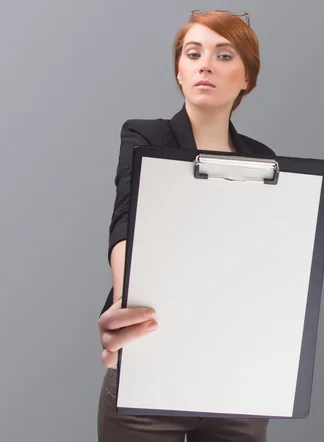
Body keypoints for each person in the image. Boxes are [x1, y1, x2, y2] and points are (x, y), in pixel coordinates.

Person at [96, 10, 275, 442]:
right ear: (179, 71)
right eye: (192, 53)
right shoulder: (146, 136)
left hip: (234, 377)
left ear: (247, 77)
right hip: (148, 368)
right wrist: (124, 301)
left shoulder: (262, 158)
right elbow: (127, 218)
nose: (204, 64)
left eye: (224, 55)